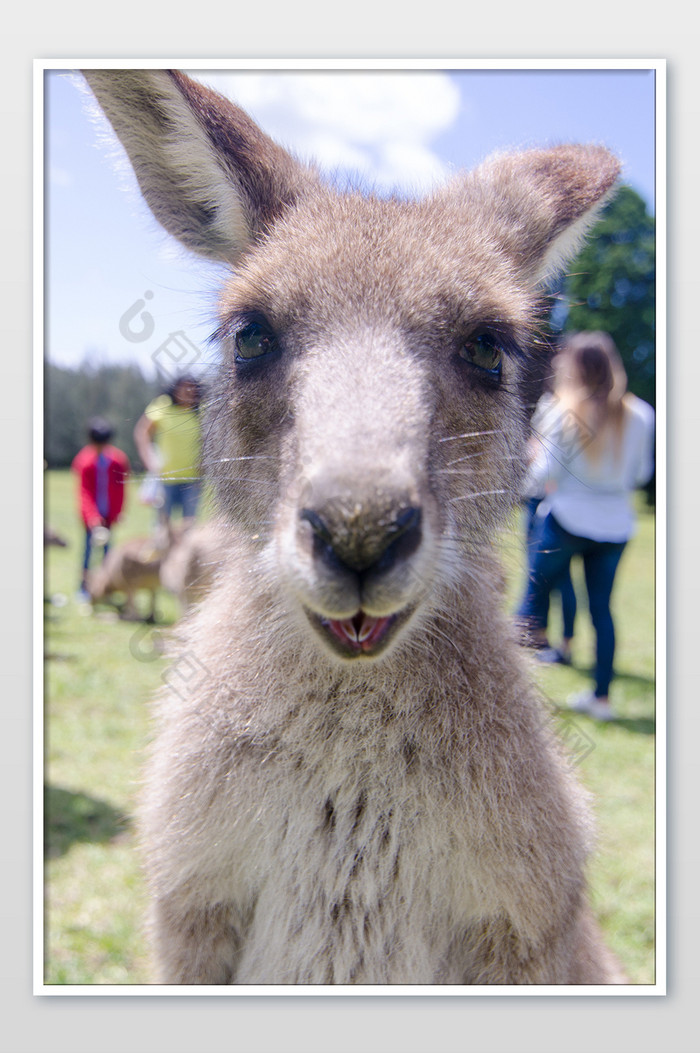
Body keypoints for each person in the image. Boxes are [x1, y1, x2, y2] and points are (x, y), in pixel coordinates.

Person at [517, 331, 655, 720]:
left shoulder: (564, 412)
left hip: (566, 520)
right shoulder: (642, 414)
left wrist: (520, 483)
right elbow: (642, 473)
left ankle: (510, 700)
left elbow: (547, 473)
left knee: (530, 600)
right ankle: (602, 698)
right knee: (602, 610)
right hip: (616, 526)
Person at [71, 417, 130, 600]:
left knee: (109, 554)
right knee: (87, 552)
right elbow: (84, 492)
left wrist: (118, 512)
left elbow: (121, 489)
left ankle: (107, 587)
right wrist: (92, 518)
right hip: (91, 519)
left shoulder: (118, 460)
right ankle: (84, 588)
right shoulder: (84, 461)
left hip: (109, 516)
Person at [134, 374, 203, 523]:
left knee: (189, 527)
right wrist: (148, 460)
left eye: (192, 389)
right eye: (184, 388)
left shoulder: (202, 411)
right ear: (175, 390)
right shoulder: (162, 405)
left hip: (192, 480)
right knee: (162, 527)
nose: (188, 392)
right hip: (165, 478)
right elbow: (142, 432)